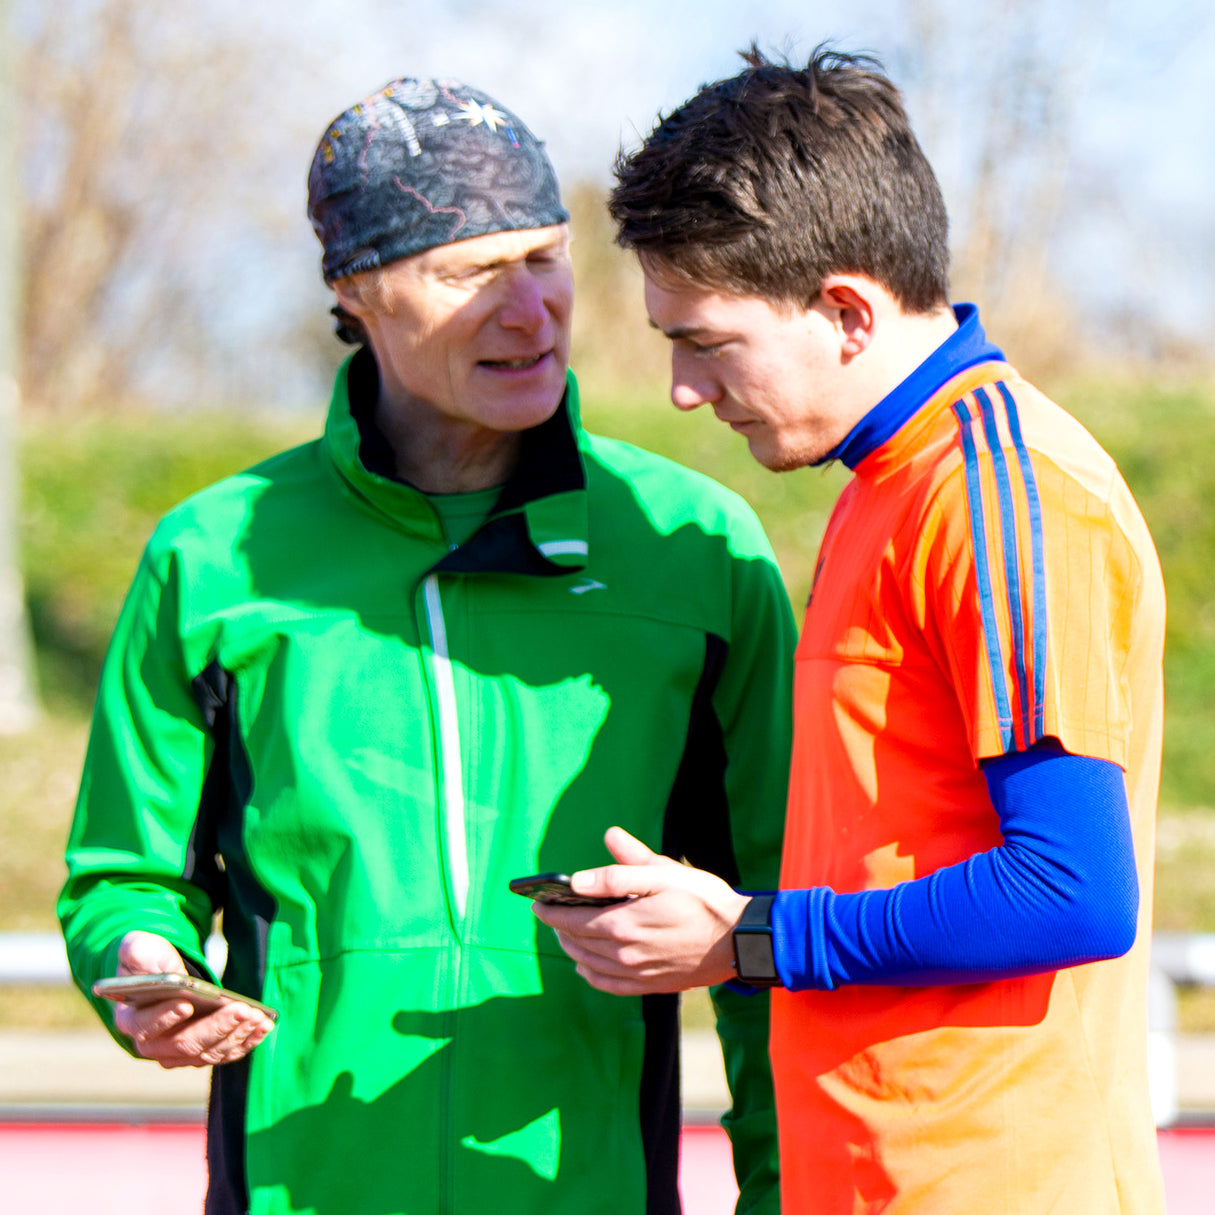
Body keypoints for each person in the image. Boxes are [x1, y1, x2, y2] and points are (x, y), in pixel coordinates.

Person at [57, 76, 796, 1215]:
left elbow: (772, 922)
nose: (530, 312)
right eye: (466, 275)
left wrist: (778, 1195)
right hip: (297, 1185)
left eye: (544, 258)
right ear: (355, 290)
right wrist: (146, 970)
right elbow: (124, 880)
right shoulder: (208, 557)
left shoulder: (693, 546)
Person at [535, 47, 1168, 1214]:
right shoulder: (887, 482)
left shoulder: (1004, 492)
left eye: (705, 341)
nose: (682, 386)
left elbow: (1074, 889)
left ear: (844, 311)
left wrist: (748, 938)